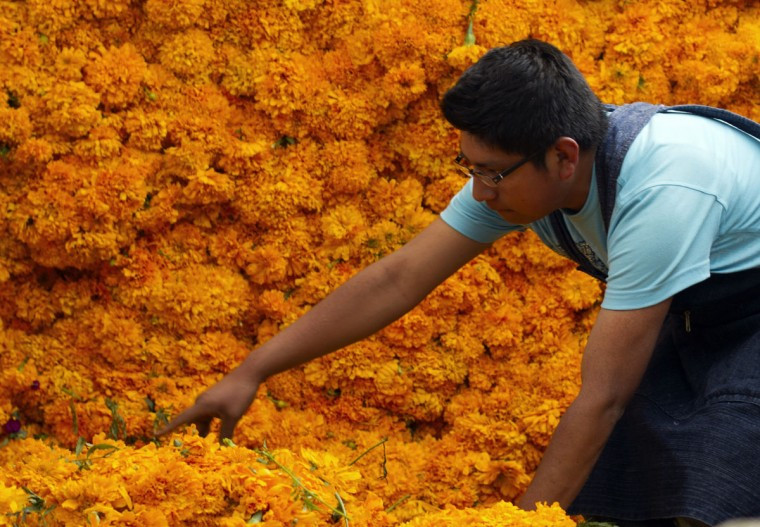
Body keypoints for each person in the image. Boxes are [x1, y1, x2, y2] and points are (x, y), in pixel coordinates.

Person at [159, 39, 760, 526]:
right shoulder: (524, 175)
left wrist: (518, 522)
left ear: (564, 156)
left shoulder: (665, 191)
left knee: (719, 488)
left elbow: (602, 396)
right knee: (649, 475)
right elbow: (398, 278)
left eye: (491, 174)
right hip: (699, 311)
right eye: (468, 168)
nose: (479, 191)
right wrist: (252, 371)